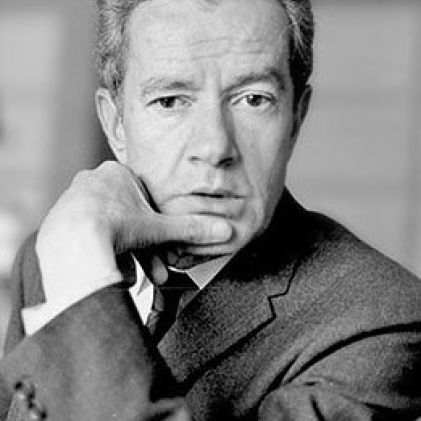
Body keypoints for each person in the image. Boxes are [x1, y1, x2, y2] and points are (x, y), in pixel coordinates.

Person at [1, 0, 421, 419]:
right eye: (170, 101)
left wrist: (83, 284)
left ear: (296, 119)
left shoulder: (382, 321)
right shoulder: (54, 257)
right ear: (116, 126)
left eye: (253, 99)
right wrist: (78, 265)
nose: (215, 146)